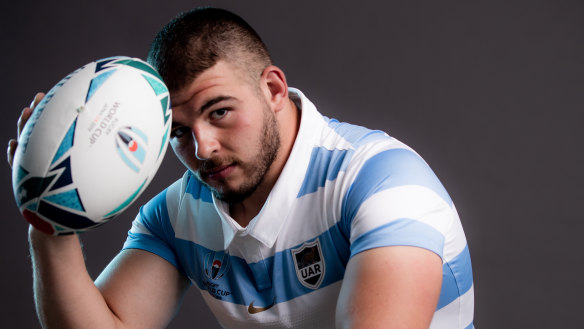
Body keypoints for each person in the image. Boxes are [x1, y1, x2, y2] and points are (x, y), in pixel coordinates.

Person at [8, 7, 474, 329]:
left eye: (219, 112)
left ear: (273, 89)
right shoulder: (177, 216)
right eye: (178, 130)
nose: (202, 148)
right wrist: (51, 218)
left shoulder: (385, 186)